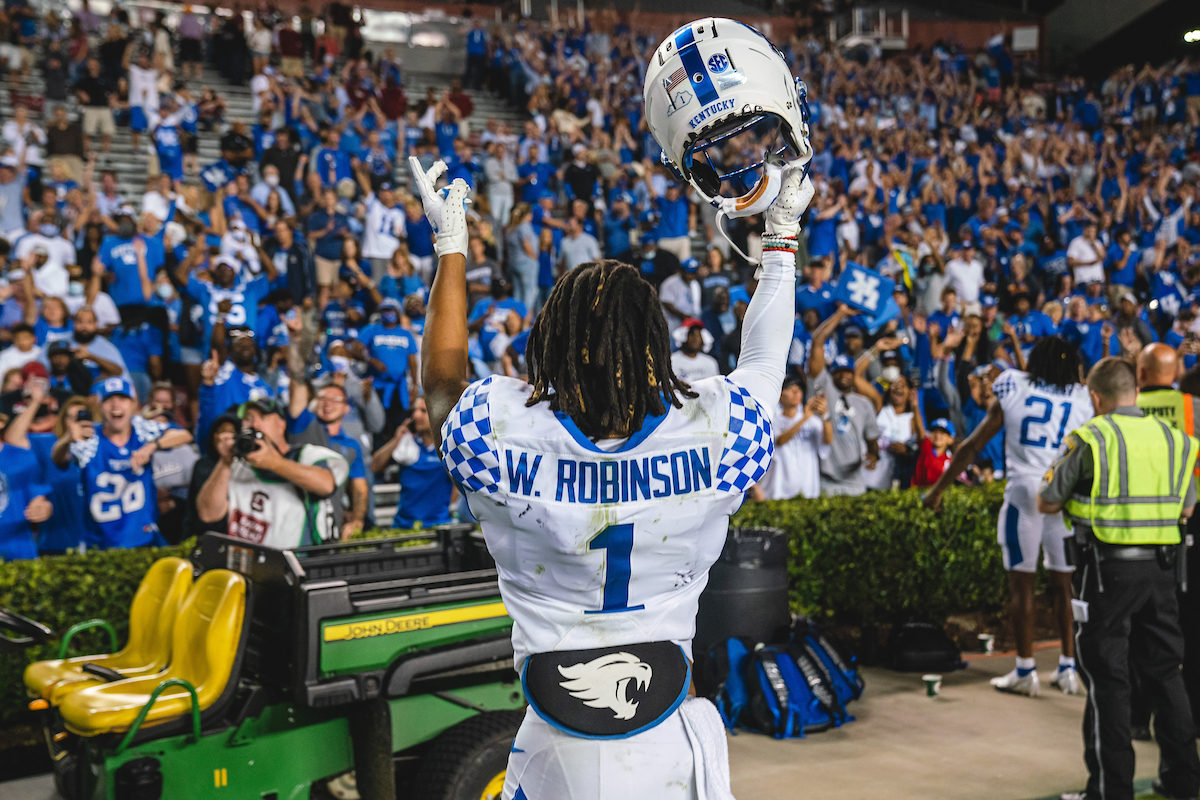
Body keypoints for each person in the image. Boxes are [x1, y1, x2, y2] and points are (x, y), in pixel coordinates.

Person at [411, 150, 810, 798]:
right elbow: (765, 361)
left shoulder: (498, 433)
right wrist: (780, 240)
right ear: (654, 343)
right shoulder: (717, 435)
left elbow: (442, 385)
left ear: (552, 339)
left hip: (553, 742)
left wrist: (450, 244)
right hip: (667, 736)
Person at [1039, 358, 1200, 800]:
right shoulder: (1176, 440)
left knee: (1109, 680)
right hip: (1163, 572)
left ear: (1095, 397)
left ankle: (1111, 791)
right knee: (1166, 673)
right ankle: (1184, 782)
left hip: (1107, 574)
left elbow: (1047, 500)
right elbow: (1187, 507)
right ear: (1134, 390)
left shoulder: (1090, 438)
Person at [924, 337, 1093, 696]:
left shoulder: (1014, 383)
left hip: (1023, 492)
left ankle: (1025, 669)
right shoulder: (1082, 397)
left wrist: (938, 489)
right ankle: (1068, 666)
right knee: (1066, 585)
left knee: (1022, 586)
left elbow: (973, 445)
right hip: (1061, 494)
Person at [1134, 343, 1200, 727]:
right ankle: (1190, 713)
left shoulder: (1123, 411)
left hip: (1135, 528)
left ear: (1140, 374)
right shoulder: (1192, 408)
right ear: (1174, 373)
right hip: (1189, 521)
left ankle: (1139, 715)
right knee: (1190, 622)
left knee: (1140, 625)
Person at [52, 377, 192, 548]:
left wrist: (151, 447)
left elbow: (184, 436)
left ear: (133, 405)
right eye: (109, 399)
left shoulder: (142, 430)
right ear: (100, 407)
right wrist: (67, 438)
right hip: (100, 541)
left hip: (142, 537)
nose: (116, 405)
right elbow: (59, 459)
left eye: (122, 399)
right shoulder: (92, 437)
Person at [194, 394, 349, 548]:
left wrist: (273, 463)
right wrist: (225, 462)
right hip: (248, 563)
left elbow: (326, 486)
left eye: (263, 417)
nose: (254, 424)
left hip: (299, 561)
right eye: (248, 419)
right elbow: (208, 514)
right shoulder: (236, 465)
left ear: (281, 425)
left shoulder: (306, 455)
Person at [370, 395, 455, 528]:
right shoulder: (407, 445)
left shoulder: (448, 447)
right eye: (414, 410)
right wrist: (396, 440)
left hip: (438, 525)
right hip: (403, 525)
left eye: (423, 411)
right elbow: (374, 466)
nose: (416, 415)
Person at [758, 376, 830, 500]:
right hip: (778, 490)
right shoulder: (772, 418)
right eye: (790, 389)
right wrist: (805, 418)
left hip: (807, 490)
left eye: (798, 389)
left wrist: (825, 416)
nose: (796, 393)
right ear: (780, 395)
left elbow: (827, 440)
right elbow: (780, 441)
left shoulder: (814, 421)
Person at [669, 320, 720, 384]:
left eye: (698, 335)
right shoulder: (671, 361)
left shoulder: (711, 362)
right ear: (683, 336)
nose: (695, 339)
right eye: (691, 334)